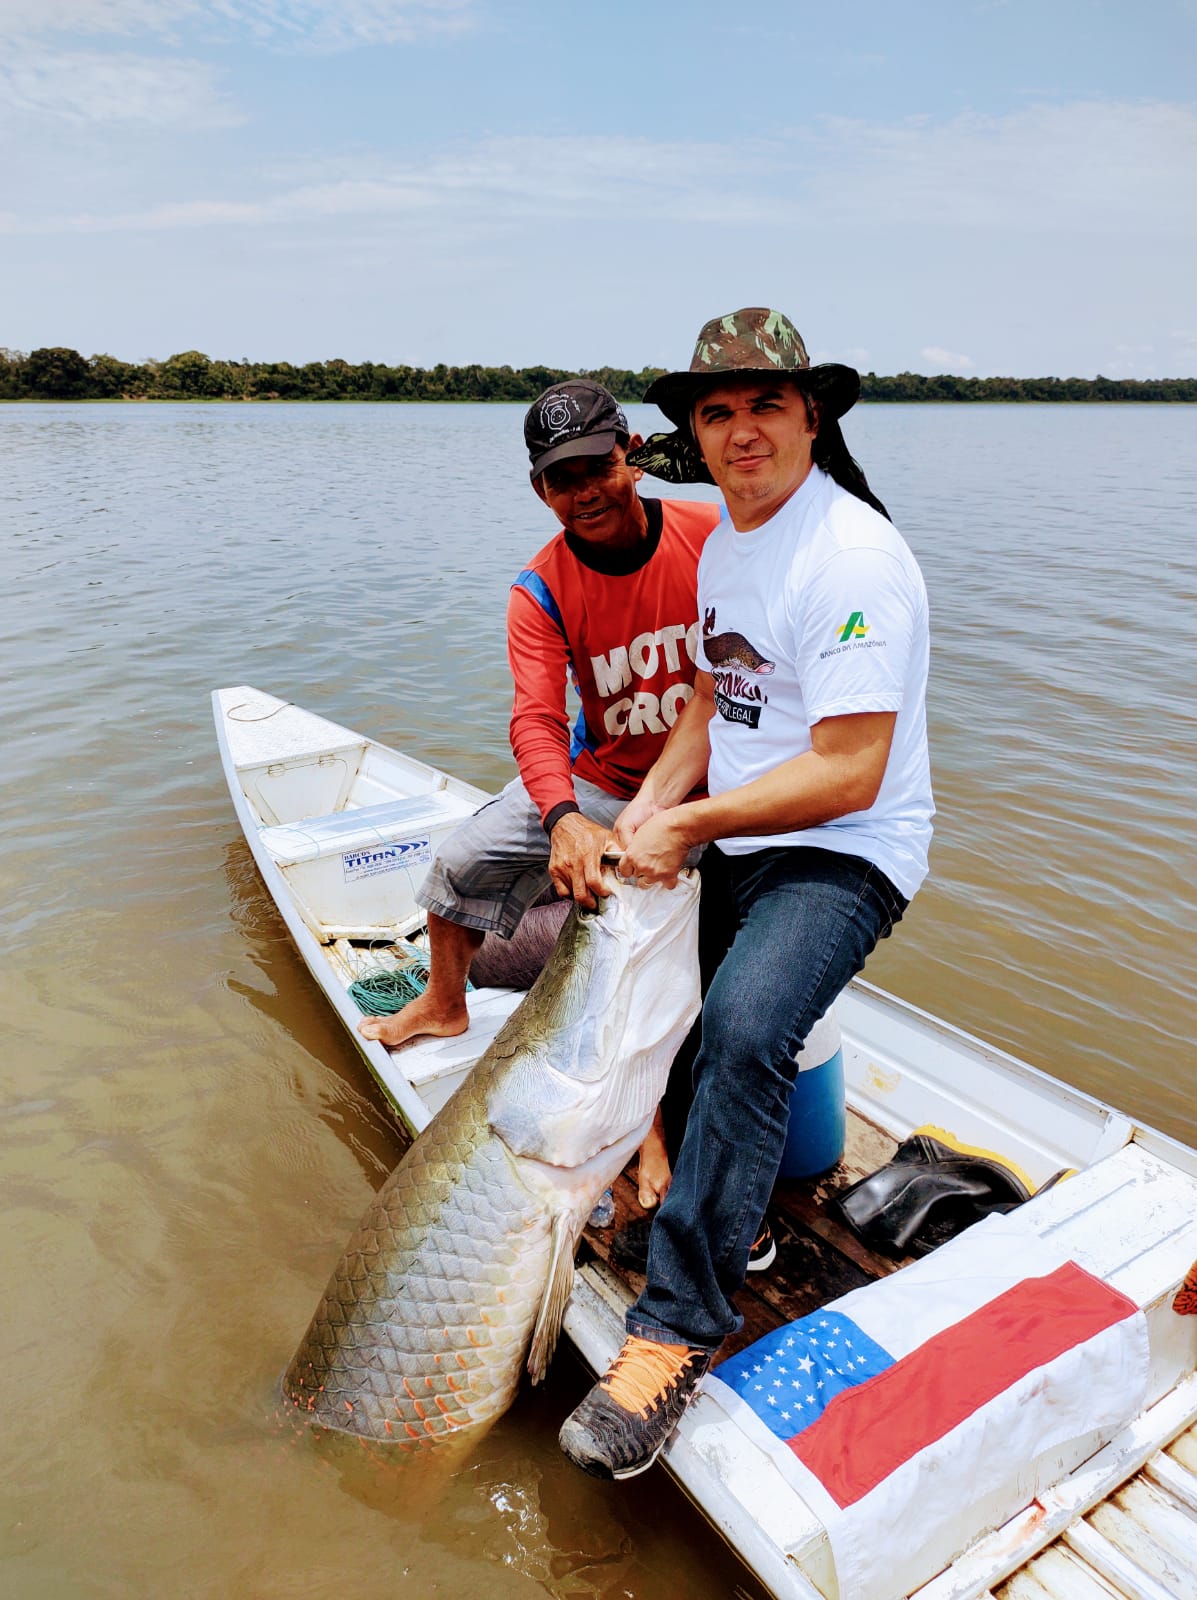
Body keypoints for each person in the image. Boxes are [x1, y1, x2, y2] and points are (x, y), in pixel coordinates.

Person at [558, 307, 934, 1480]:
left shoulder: (852, 556)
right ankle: (699, 1193)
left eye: (765, 404)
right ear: (693, 437)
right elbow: (714, 704)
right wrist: (643, 814)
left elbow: (849, 769)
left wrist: (693, 822)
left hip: (848, 847)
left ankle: (674, 1329)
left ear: (810, 416)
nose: (741, 430)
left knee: (749, 1028)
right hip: (746, 831)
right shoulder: (727, 543)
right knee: (650, 989)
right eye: (716, 413)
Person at [358, 379, 721, 1198]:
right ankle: (442, 1002)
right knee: (461, 862)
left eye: (596, 464)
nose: (584, 490)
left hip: (711, 783)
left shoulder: (708, 538)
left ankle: (652, 1129)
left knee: (658, 954)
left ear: (628, 457)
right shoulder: (540, 587)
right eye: (563, 478)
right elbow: (535, 721)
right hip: (600, 782)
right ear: (540, 490)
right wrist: (561, 816)